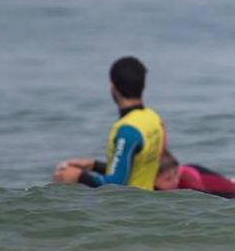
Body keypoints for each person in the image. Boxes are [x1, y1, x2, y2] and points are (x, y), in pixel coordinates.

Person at [53, 56, 164, 191]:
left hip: (129, 207)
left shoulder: (127, 130)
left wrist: (80, 176)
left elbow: (116, 185)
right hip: (147, 202)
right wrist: (94, 166)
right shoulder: (153, 119)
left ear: (112, 86)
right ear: (144, 85)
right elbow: (135, 168)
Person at [154, 149, 235, 198]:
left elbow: (206, 201)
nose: (175, 180)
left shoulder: (186, 180)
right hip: (197, 173)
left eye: (176, 173)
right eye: (168, 179)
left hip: (234, 191)